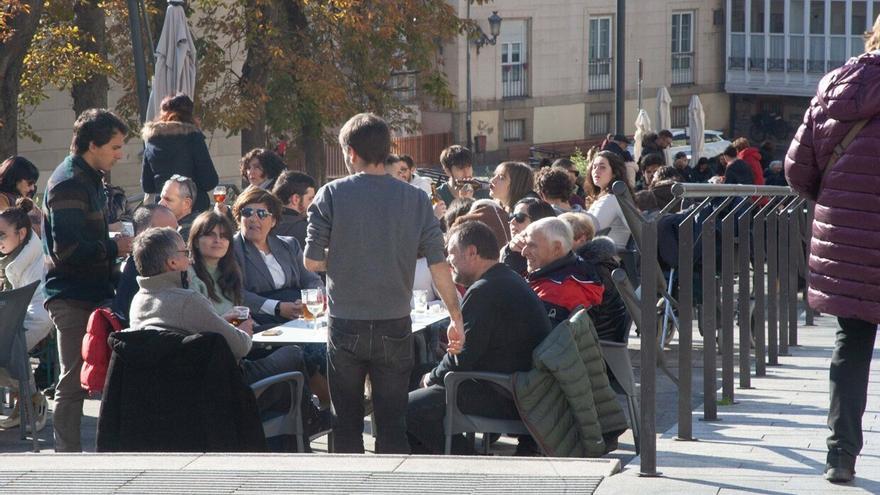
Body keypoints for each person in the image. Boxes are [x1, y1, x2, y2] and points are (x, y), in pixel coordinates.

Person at [304, 112, 464, 454]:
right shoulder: (417, 198)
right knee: (393, 424)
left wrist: (349, 257)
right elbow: (438, 262)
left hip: (346, 322)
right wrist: (456, 316)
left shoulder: (330, 194)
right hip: (395, 321)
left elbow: (312, 261)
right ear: (386, 150)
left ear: (350, 152)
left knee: (345, 423)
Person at [784, 19, 880, 483]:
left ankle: (840, 455)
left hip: (848, 240)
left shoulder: (836, 89)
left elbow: (796, 169)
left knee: (852, 345)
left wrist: (837, 202)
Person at [127, 227, 320, 440]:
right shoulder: (187, 300)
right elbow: (241, 346)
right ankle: (309, 423)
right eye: (185, 254)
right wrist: (244, 330)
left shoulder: (139, 301)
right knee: (293, 354)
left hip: (172, 395)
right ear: (172, 263)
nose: (190, 260)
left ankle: (299, 426)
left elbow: (190, 328)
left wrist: (220, 322)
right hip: (219, 391)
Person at [406, 221, 551, 455]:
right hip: (519, 385)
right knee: (412, 374)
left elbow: (461, 359)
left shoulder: (485, 290)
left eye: (451, 252)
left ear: (472, 252)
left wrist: (430, 378)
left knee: (406, 409)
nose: (448, 260)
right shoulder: (505, 278)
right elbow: (469, 350)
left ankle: (467, 460)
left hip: (506, 394)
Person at [43, 108, 133, 452]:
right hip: (72, 294)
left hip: (93, 291)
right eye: (114, 146)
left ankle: (99, 448)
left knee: (93, 376)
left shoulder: (88, 176)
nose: (119, 153)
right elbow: (67, 249)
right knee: (73, 380)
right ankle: (67, 455)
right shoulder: (69, 181)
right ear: (92, 145)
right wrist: (113, 246)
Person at [232, 186, 322, 326]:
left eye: (261, 214)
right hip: (260, 321)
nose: (253, 219)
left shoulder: (289, 245)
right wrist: (277, 307)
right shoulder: (231, 248)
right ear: (239, 217)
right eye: (247, 212)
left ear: (273, 221)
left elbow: (312, 280)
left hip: (300, 315)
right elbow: (235, 293)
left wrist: (310, 301)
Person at [0, 198, 51, 431]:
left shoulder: (33, 260)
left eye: (2, 235)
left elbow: (39, 313)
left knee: (8, 354)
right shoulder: (14, 254)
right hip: (13, 320)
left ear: (21, 233)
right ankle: (28, 401)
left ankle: (32, 401)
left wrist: (12, 331)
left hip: (32, 320)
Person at [140, 93, 218, 213]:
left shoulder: (151, 140)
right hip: (193, 208)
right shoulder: (193, 137)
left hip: (164, 209)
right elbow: (209, 181)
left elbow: (147, 186)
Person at [559, 212, 630, 343]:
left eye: (562, 237)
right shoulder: (599, 262)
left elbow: (582, 317)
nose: (557, 242)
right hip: (606, 333)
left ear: (581, 240)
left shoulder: (589, 269)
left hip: (597, 339)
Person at [521, 218, 604, 326]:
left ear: (556, 248)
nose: (523, 252)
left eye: (532, 245)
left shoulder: (557, 292)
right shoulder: (578, 271)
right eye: (525, 244)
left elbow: (536, 337)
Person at [110, 204, 180, 323]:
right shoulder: (144, 270)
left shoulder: (171, 260)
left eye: (176, 231)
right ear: (143, 234)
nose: (176, 239)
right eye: (166, 234)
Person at [188, 210, 243, 316]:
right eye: (210, 235)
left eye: (223, 236)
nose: (218, 240)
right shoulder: (189, 275)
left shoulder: (231, 271)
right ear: (196, 242)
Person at [586, 150, 633, 249]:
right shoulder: (604, 197)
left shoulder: (611, 199)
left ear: (615, 173)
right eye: (594, 167)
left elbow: (589, 231)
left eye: (602, 167)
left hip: (607, 260)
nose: (596, 171)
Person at [501, 197, 556, 276]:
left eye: (520, 217)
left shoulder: (553, 254)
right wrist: (510, 253)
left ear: (539, 222)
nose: (512, 222)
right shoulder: (507, 251)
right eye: (511, 217)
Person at [271, 170, 316, 247]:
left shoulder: (263, 225)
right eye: (310, 199)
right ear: (295, 199)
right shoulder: (308, 231)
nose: (314, 204)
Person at [158, 175, 199, 240]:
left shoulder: (185, 234)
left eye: (168, 200)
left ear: (186, 204)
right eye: (161, 198)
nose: (160, 203)